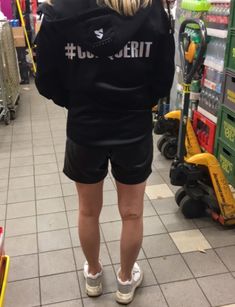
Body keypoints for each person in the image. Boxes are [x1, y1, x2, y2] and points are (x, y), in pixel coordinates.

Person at [35, 0, 175, 304]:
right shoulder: (152, 11)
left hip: (84, 128)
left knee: (87, 210)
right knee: (132, 212)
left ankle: (94, 275)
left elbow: (45, 80)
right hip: (133, 129)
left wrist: (77, 102)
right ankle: (125, 281)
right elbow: (163, 79)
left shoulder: (59, 12)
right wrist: (138, 103)